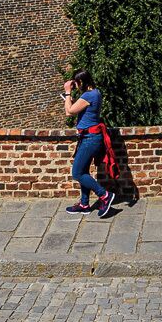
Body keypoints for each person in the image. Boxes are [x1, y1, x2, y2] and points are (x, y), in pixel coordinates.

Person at [61, 72, 115, 218]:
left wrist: (67, 92)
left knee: (77, 173)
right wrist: (71, 99)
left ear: (81, 82)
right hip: (90, 137)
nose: (76, 87)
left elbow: (69, 112)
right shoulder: (95, 93)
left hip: (89, 139)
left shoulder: (88, 96)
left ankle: (104, 195)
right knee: (84, 170)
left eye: (76, 84)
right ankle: (84, 204)